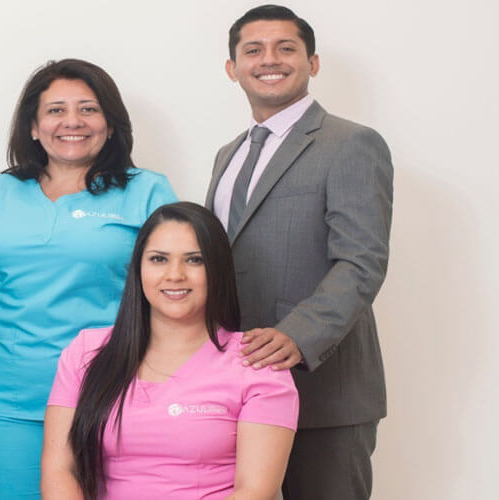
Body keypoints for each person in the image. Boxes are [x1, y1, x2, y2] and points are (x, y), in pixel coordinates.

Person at [204, 5, 393, 499]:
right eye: (254, 50)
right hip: (235, 390)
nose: (271, 59)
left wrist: (298, 336)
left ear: (312, 62)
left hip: (323, 392)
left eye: (286, 48)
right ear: (232, 68)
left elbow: (361, 262)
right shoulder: (229, 154)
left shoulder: (351, 143)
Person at [0, 58, 177, 499]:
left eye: (88, 109)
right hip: (10, 399)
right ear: (32, 125)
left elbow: (174, 293)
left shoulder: (147, 191)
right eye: (55, 110)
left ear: (110, 123)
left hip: (112, 394)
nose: (72, 122)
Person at [42, 202, 298, 499]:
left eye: (194, 260)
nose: (174, 275)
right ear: (138, 268)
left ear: (218, 270)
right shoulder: (86, 352)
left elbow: (254, 491)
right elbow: (59, 468)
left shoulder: (258, 362)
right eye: (159, 259)